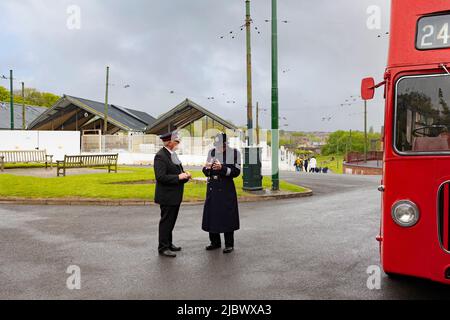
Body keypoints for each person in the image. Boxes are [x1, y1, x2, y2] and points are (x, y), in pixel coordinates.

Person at [154, 131, 191, 258]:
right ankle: (163, 247)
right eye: (176, 141)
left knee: (171, 221)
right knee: (166, 222)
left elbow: (178, 172)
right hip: (166, 196)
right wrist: (178, 176)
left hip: (175, 195)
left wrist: (185, 175)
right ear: (169, 142)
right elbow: (160, 177)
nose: (178, 144)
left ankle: (168, 243)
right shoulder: (160, 156)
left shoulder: (173, 154)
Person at [202, 133, 241, 254]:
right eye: (216, 145)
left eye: (220, 146)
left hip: (226, 189)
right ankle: (215, 242)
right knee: (212, 216)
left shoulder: (234, 153)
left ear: (225, 144)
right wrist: (206, 168)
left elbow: (236, 171)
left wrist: (222, 168)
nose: (217, 148)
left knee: (227, 216)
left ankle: (229, 244)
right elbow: (205, 170)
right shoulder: (211, 152)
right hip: (213, 188)